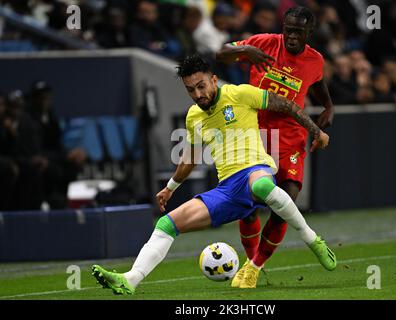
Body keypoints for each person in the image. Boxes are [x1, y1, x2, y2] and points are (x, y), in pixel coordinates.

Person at [91, 54, 336, 294]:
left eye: (201, 86)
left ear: (214, 79)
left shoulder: (241, 94)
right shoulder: (194, 117)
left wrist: (316, 131)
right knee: (166, 224)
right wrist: (170, 188)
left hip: (256, 170)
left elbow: (288, 105)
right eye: (191, 90)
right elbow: (190, 159)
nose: (198, 94)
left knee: (261, 186)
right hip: (227, 190)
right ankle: (130, 280)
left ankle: (312, 239)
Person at [215, 6, 334, 283]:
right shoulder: (263, 42)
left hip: (290, 137)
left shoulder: (315, 60)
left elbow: (316, 84)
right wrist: (245, 52)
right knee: (248, 202)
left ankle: (254, 267)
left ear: (309, 33)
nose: (291, 37)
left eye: (298, 32)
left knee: (285, 202)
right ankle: (250, 260)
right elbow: (221, 52)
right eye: (288, 30)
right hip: (255, 134)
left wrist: (328, 106)